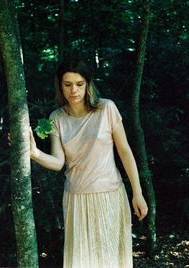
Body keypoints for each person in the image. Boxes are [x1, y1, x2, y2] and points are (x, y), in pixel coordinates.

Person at [29, 55, 148, 268]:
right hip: (76, 199)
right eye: (67, 84)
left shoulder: (106, 108)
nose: (73, 90)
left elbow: (125, 151)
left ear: (88, 84)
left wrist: (137, 194)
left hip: (109, 195)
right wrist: (33, 152)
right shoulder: (55, 118)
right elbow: (58, 163)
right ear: (60, 86)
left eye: (79, 84)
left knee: (110, 260)